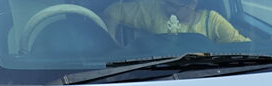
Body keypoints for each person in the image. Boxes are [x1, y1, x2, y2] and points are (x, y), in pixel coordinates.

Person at [104, 0, 250, 43]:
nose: (168, 9)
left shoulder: (213, 21)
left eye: (174, 6)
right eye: (166, 3)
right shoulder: (155, 9)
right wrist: (112, 42)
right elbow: (113, 11)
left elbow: (240, 46)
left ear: (193, 4)